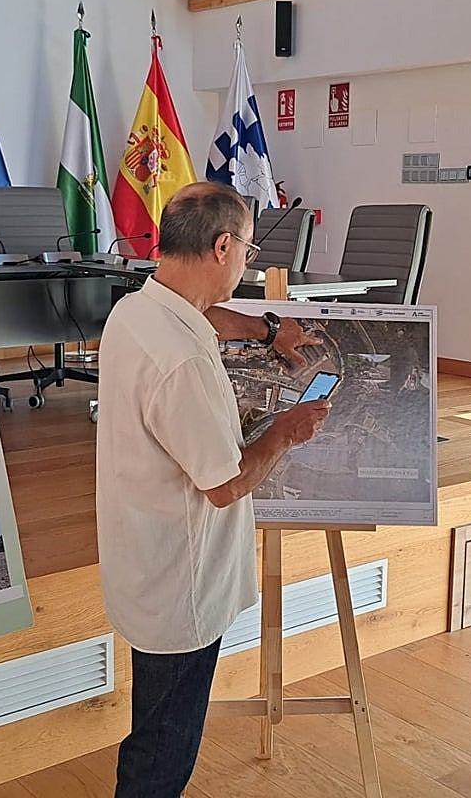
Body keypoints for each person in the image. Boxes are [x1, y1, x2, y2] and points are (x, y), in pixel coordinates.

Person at [95, 181, 331, 797]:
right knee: (163, 745)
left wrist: (267, 327)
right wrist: (284, 431)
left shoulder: (135, 309)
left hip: (143, 556)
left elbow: (203, 318)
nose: (246, 263)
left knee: (153, 724)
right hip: (183, 580)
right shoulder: (184, 365)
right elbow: (226, 486)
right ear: (223, 246)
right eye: (248, 252)